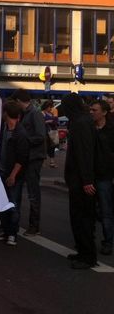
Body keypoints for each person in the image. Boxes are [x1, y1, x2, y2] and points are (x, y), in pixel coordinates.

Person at [61, 93, 97, 269]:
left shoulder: (80, 123)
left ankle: (87, 256)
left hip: (80, 179)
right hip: (78, 178)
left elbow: (85, 153)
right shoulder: (81, 120)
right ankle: (83, 252)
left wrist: (87, 180)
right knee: (79, 217)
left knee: (82, 218)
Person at [0, 100, 30, 246]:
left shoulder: (20, 133)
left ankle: (12, 233)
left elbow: (22, 158)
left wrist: (13, 175)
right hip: (1, 170)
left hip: (13, 174)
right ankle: (5, 230)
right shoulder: (3, 129)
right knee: (2, 203)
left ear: (6, 113)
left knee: (13, 204)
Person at [11, 89, 46, 236]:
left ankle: (34, 225)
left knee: (33, 192)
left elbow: (40, 136)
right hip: (27, 157)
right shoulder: (26, 114)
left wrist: (23, 142)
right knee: (24, 191)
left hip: (34, 158)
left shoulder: (35, 114)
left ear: (19, 101)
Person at [89, 100, 114, 255]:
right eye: (91, 109)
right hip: (90, 175)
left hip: (105, 175)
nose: (92, 112)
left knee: (106, 211)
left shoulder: (111, 129)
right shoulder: (89, 128)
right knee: (91, 211)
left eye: (95, 110)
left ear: (104, 112)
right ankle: (88, 240)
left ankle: (108, 242)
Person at [42, 100, 59, 168]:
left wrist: (53, 121)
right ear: (46, 107)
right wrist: (48, 121)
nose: (50, 109)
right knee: (45, 147)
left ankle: (52, 162)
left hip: (52, 132)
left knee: (52, 147)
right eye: (49, 107)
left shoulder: (51, 114)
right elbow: (41, 122)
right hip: (46, 132)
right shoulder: (42, 113)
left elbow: (56, 121)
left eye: (51, 107)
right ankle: (42, 162)